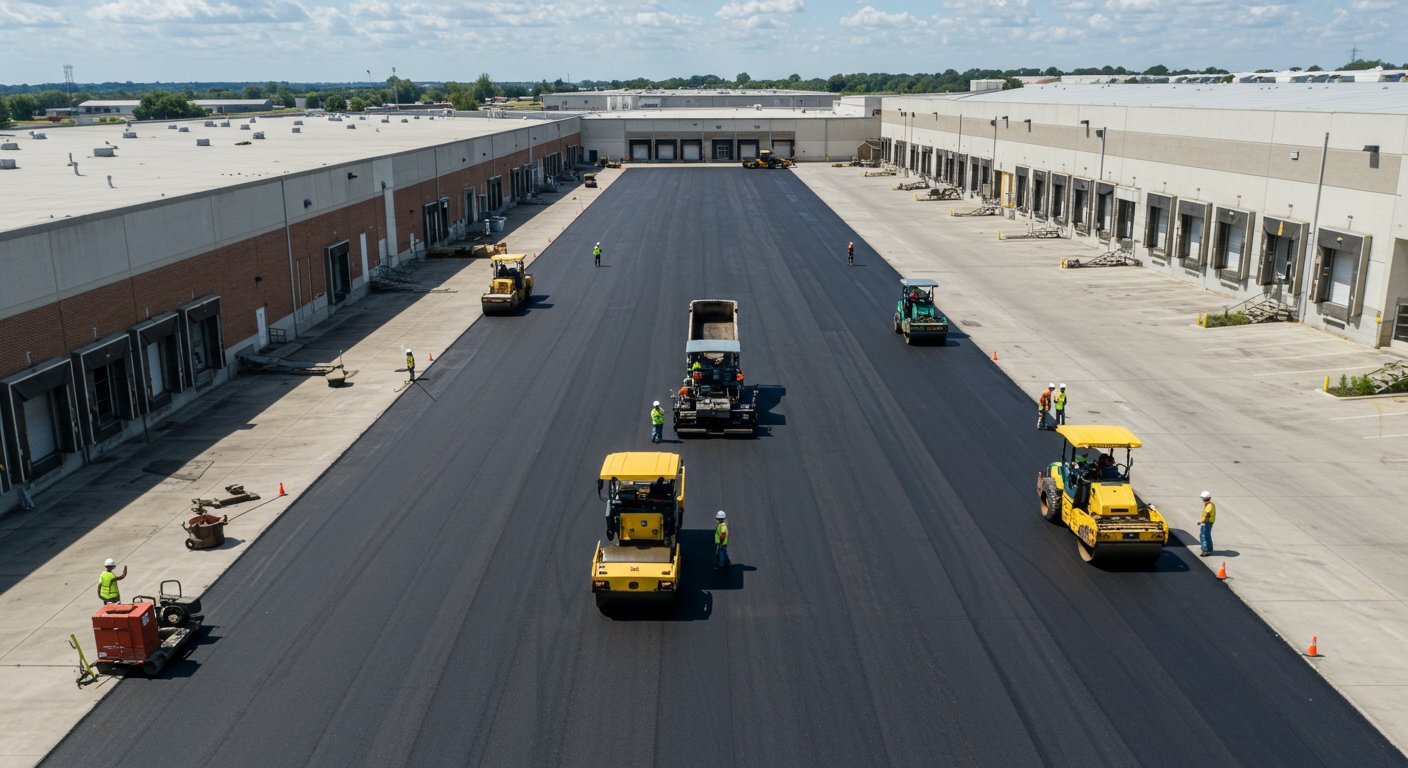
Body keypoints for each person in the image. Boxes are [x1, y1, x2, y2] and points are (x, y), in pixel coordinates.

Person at [1199, 491, 1216, 557]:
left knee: (1203, 536)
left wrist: (1203, 522)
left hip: (1206, 523)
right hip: (1209, 522)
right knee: (1207, 536)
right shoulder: (1211, 504)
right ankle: (1209, 549)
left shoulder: (1209, 506)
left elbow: (1207, 515)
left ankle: (1205, 551)